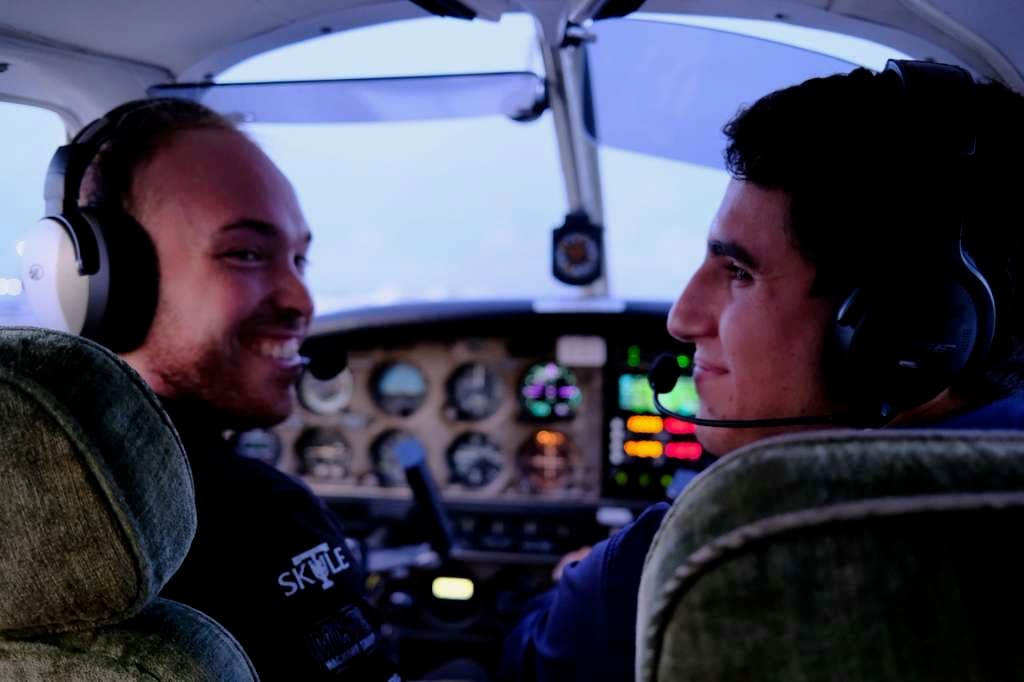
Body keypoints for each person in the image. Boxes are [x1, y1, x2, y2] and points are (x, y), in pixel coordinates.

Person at [501, 61, 1024, 681]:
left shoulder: (704, 551)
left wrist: (576, 581)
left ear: (906, 330)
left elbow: (524, 660)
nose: (682, 318)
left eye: (739, 273)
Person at [75, 99, 401, 681]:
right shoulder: (263, 515)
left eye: (300, 259)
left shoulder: (42, 482)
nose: (301, 300)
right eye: (246, 254)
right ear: (110, 282)